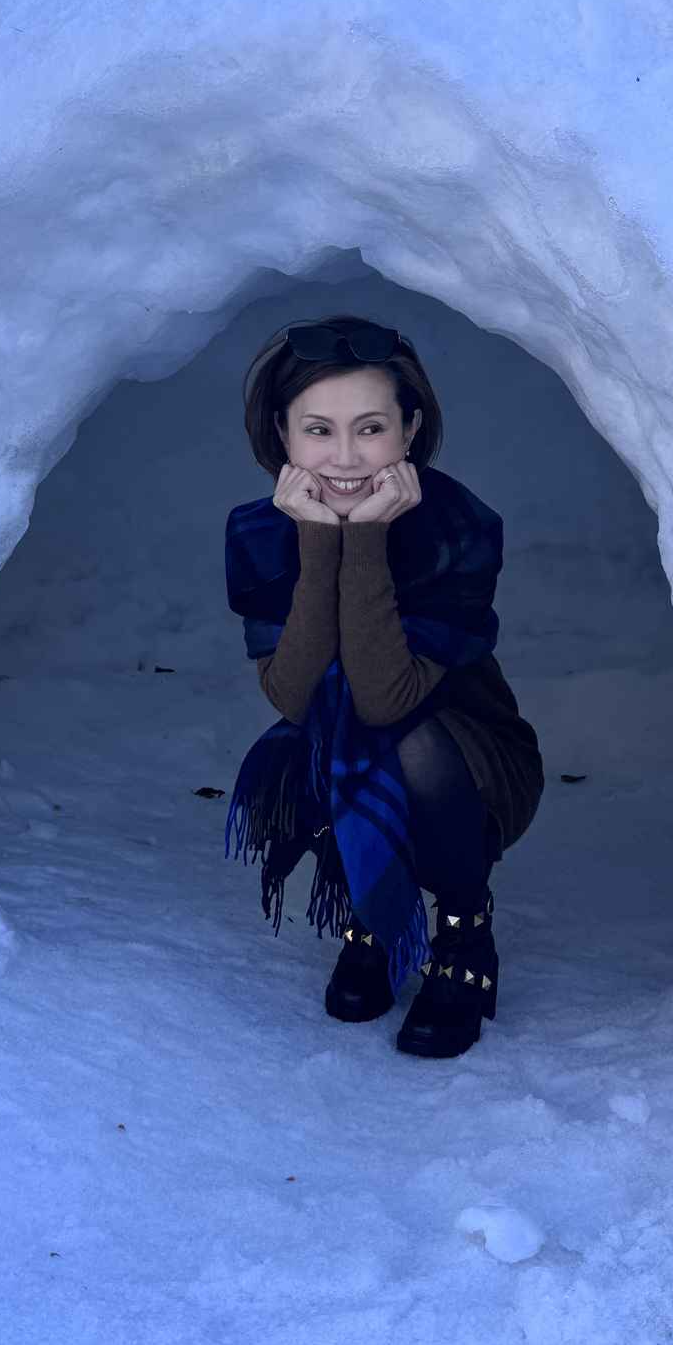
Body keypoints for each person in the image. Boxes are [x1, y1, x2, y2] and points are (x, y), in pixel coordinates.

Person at [224, 314, 544, 1058]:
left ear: (410, 429)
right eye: (318, 429)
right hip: (338, 748)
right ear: (281, 433)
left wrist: (361, 538)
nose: (343, 458)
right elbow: (294, 693)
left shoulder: (457, 527)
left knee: (407, 739)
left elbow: (387, 697)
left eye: (370, 428)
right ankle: (373, 909)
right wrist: (317, 539)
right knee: (326, 734)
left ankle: (464, 926)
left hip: (467, 766)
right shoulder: (260, 532)